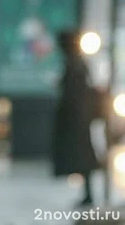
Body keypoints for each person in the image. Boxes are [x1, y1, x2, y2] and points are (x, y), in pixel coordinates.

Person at [51, 29, 100, 207]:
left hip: (77, 120)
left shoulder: (74, 64)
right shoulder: (77, 63)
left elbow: (74, 94)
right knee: (83, 158)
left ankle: (89, 194)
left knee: (83, 158)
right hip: (80, 119)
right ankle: (88, 194)